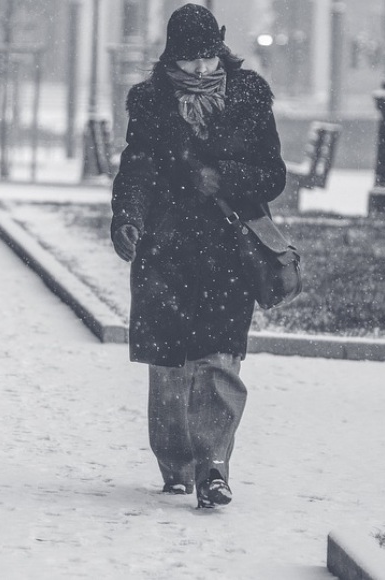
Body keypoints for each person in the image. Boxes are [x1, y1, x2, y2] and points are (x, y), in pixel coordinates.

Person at [110, 3, 286, 508]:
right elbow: (137, 169)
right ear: (172, 57)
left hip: (227, 250)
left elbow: (272, 175)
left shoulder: (250, 96)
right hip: (165, 250)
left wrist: (223, 177)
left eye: (209, 58)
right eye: (190, 60)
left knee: (218, 361)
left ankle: (213, 467)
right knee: (168, 367)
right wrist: (128, 219)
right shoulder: (150, 102)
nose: (201, 70)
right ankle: (177, 463)